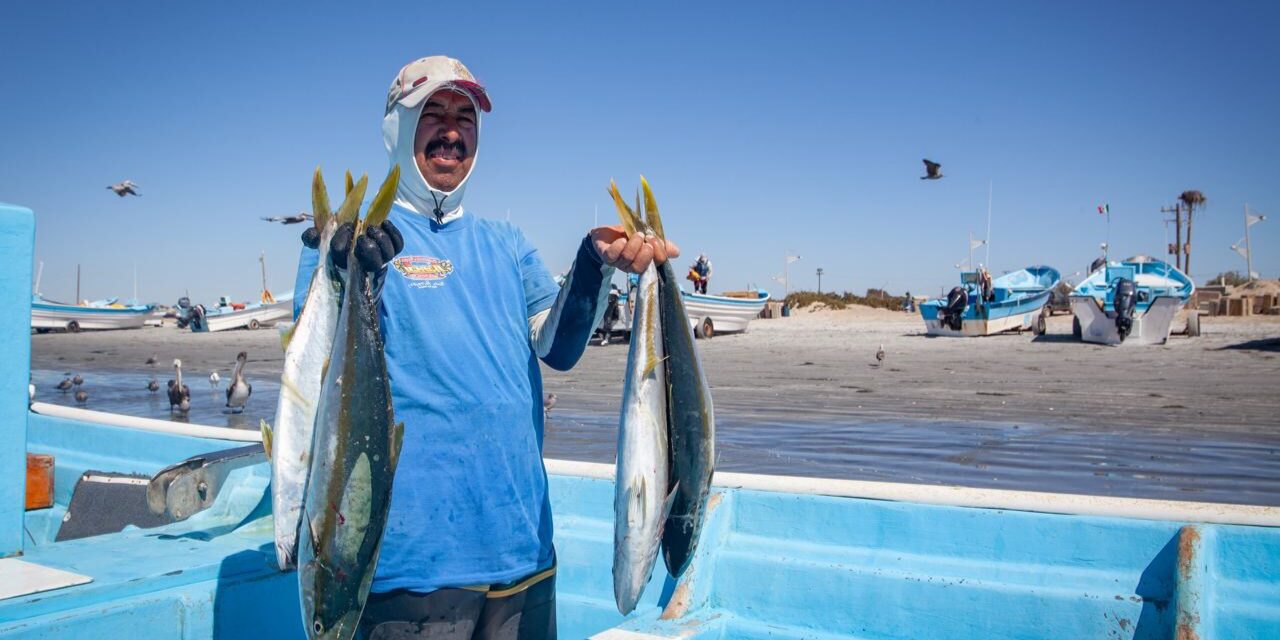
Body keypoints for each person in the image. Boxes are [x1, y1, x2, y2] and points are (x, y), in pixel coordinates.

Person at [291, 56, 679, 640]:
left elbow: (559, 348)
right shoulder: (347, 243)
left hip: (521, 547)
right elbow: (313, 373)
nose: (452, 131)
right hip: (408, 564)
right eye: (433, 114)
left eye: (465, 117)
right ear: (397, 127)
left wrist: (593, 265)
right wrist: (344, 272)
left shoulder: (508, 242)